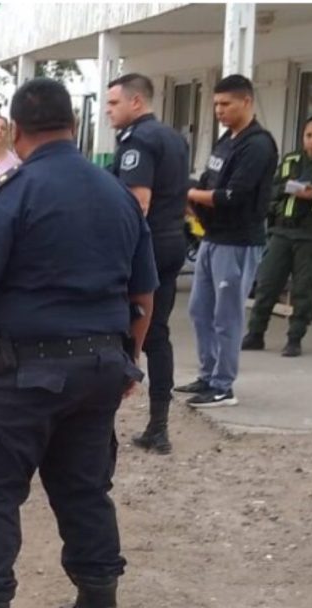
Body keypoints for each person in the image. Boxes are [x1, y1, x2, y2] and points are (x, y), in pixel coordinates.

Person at [0, 77, 157, 608]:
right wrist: (127, 360)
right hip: (99, 372)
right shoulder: (117, 194)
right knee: (85, 488)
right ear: (72, 125)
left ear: (17, 130)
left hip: (24, 376)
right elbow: (144, 295)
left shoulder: (12, 194)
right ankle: (98, 596)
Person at [180, 74, 279, 408]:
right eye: (216, 105)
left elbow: (233, 195)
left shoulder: (258, 145)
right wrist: (193, 196)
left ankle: (223, 386)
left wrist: (191, 193)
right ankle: (207, 376)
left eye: (226, 104)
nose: (219, 111)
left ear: (246, 102)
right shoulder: (227, 140)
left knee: (227, 316)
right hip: (213, 237)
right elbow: (211, 180)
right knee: (200, 310)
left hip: (238, 242)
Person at [105, 73, 191, 455]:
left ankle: (98, 424)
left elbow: (137, 203)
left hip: (146, 247)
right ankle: (159, 426)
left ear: (135, 102)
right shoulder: (173, 137)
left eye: (113, 104)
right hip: (172, 242)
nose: (108, 111)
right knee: (157, 335)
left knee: (114, 329)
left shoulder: (138, 140)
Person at [242, 115, 312, 357]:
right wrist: (285, 189)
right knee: (267, 284)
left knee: (304, 291)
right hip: (282, 232)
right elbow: (270, 190)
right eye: (308, 135)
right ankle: (255, 334)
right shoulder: (291, 160)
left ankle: (294, 339)